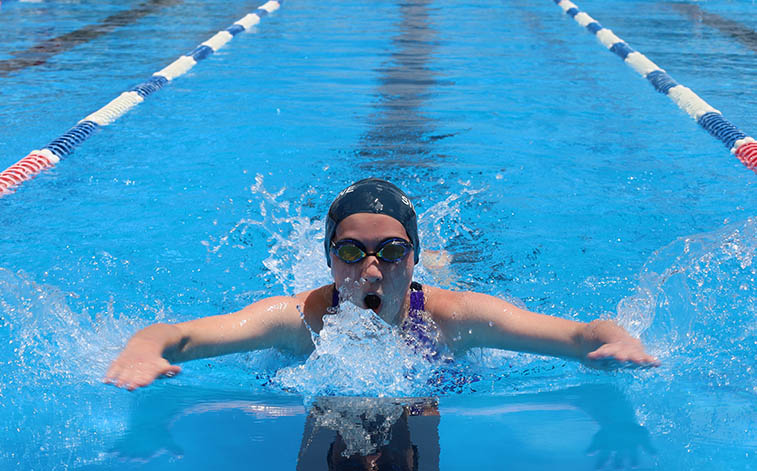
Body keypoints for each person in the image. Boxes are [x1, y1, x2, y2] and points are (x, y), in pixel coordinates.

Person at [105, 178, 659, 390]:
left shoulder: (454, 316)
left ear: (411, 259)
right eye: (350, 252)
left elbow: (582, 334)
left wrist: (618, 341)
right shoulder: (297, 319)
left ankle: (441, 259)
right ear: (328, 260)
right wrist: (141, 349)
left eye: (392, 252)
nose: (371, 269)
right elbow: (175, 336)